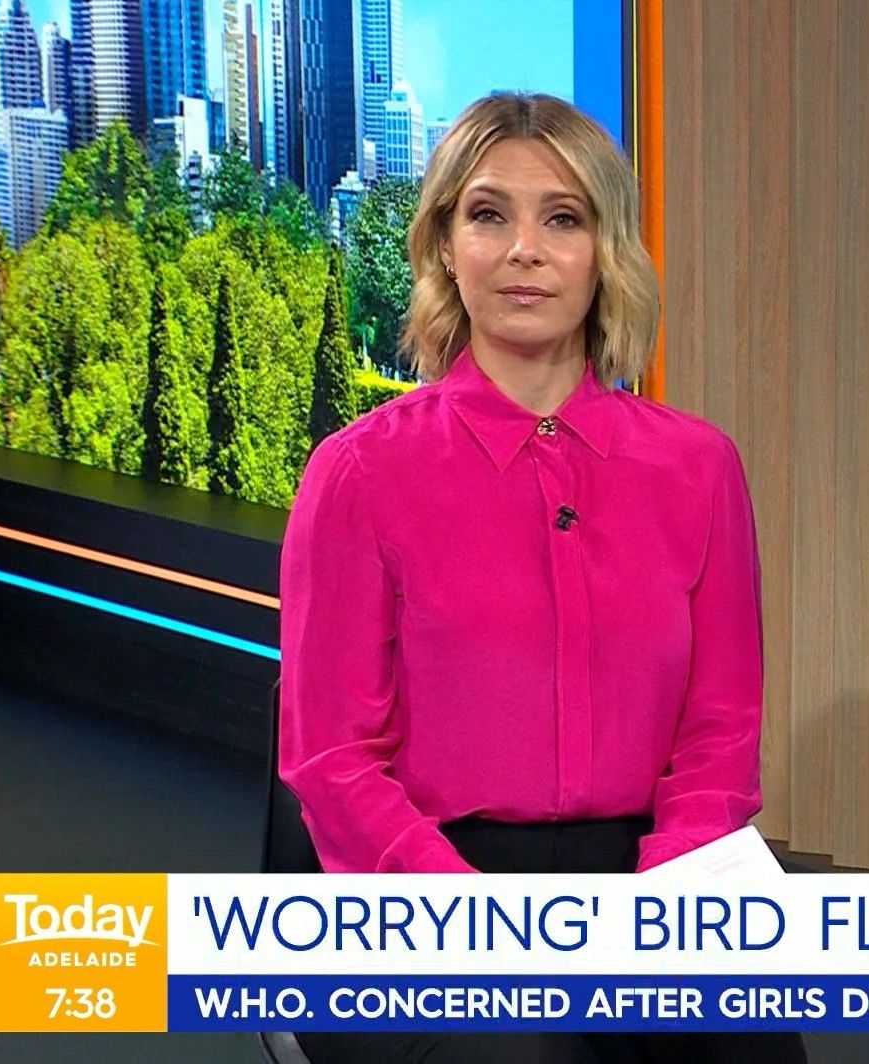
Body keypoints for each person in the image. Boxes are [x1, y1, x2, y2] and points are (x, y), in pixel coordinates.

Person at [279, 91, 806, 1064]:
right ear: (446, 247)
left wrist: (666, 909)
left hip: (649, 876)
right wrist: (477, 927)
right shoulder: (358, 474)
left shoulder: (700, 469)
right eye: (489, 215)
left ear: (606, 251)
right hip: (424, 889)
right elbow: (332, 762)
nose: (525, 249)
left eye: (563, 219)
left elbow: (719, 737)